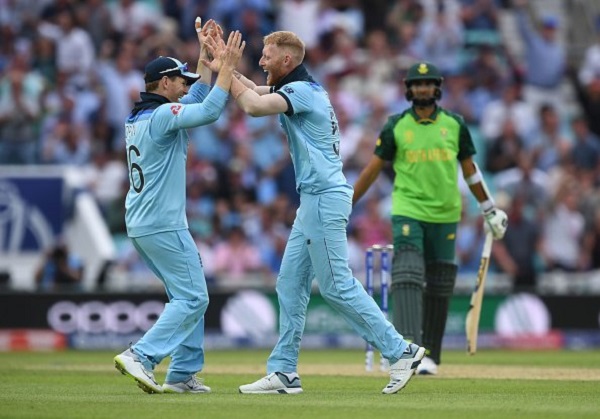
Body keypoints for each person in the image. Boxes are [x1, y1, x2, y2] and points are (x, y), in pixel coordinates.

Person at [203, 29, 425, 395]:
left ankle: (400, 351)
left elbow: (252, 106)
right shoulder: (300, 88)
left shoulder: (302, 92)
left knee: (336, 286)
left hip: (324, 197)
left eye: (267, 56)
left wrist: (227, 70)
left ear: (286, 61)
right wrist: (221, 68)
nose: (261, 62)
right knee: (289, 284)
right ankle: (284, 372)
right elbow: (254, 91)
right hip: (314, 200)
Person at [112, 18, 245, 394]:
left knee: (186, 294)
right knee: (194, 296)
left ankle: (183, 372)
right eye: (180, 80)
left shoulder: (141, 115)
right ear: (165, 83)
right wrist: (227, 68)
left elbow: (196, 98)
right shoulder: (161, 116)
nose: (185, 85)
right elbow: (208, 111)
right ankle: (143, 356)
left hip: (142, 223)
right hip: (163, 223)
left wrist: (205, 55)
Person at [352, 62, 508, 375]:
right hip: (408, 208)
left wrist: (488, 207)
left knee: (439, 283)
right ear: (408, 89)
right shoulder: (395, 125)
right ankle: (408, 348)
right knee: (407, 272)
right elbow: (372, 169)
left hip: (446, 212)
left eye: (428, 84)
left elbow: (470, 170)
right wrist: (347, 202)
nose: (423, 89)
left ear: (437, 88)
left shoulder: (454, 124)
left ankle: (430, 356)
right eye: (417, 84)